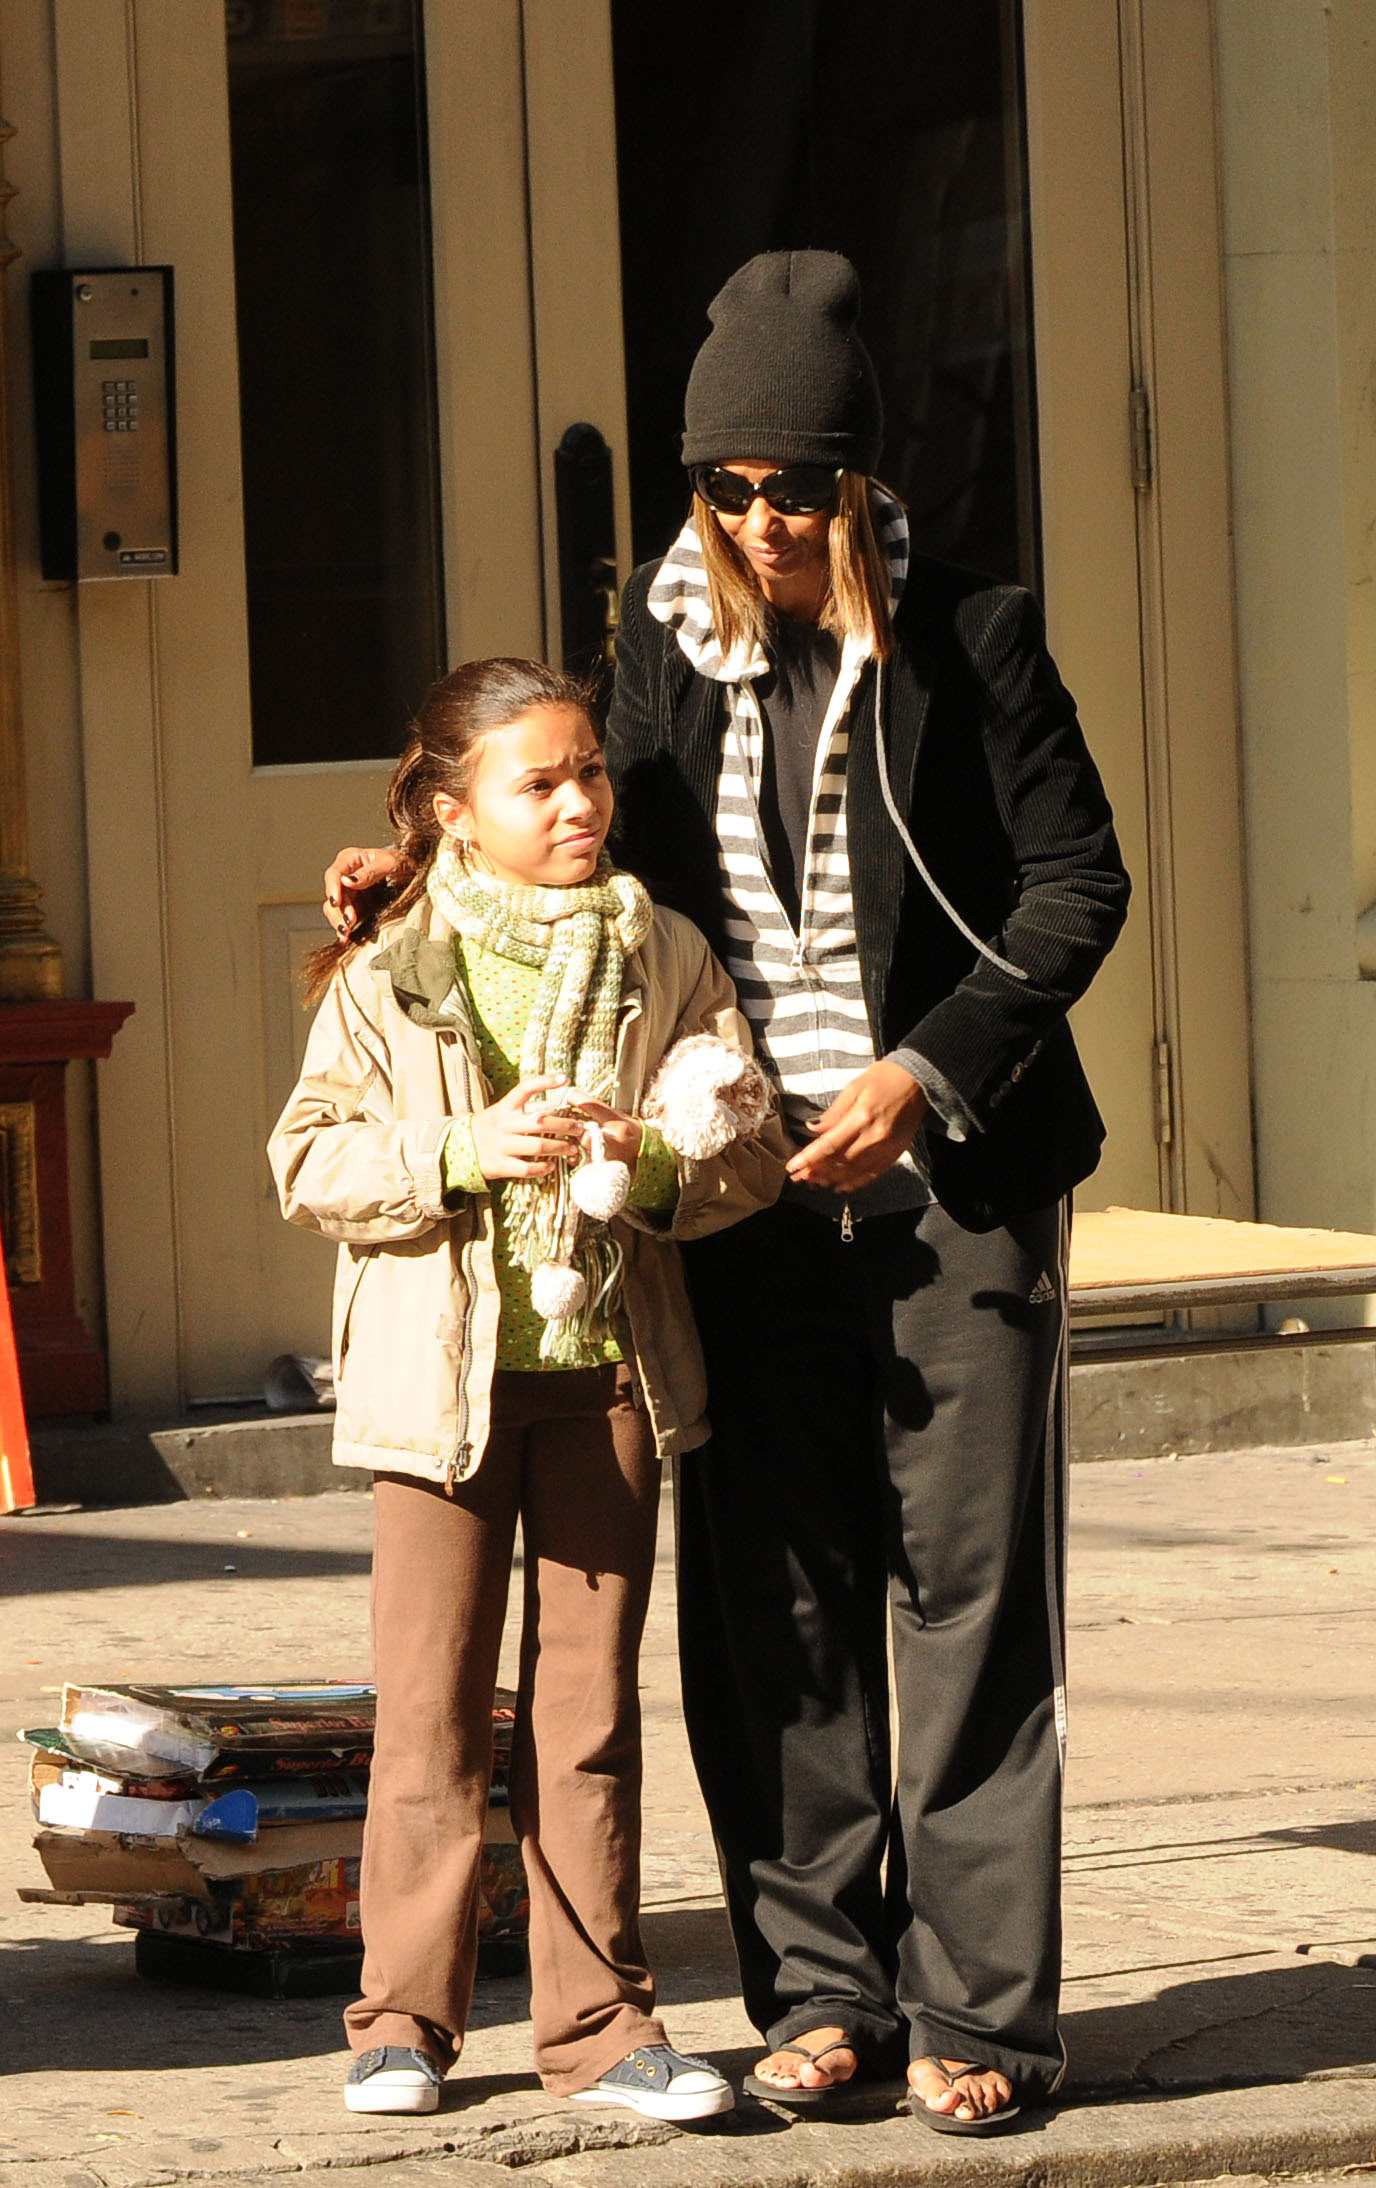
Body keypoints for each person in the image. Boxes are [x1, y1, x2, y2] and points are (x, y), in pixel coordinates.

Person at [322, 251, 1130, 2133]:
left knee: (973, 1600)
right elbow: (569, 847)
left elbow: (1074, 886)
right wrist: (409, 877)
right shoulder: (658, 649)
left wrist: (929, 1072)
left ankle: (985, 2018)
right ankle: (822, 1984)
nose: (766, 520)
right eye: (735, 486)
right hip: (745, 1192)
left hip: (956, 1179)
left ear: (861, 480)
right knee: (779, 1598)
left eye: (800, 485)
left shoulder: (974, 638)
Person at [273, 655, 785, 2123]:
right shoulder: (393, 967)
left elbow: (740, 1135)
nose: (578, 804)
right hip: (438, 1396)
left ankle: (604, 2031)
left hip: (606, 1376)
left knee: (586, 1714)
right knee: (430, 1715)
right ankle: (400, 2024)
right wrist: (463, 1153)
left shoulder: (663, 947)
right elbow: (308, 1161)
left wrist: (658, 1164)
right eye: (538, 783)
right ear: (451, 812)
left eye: (590, 775)